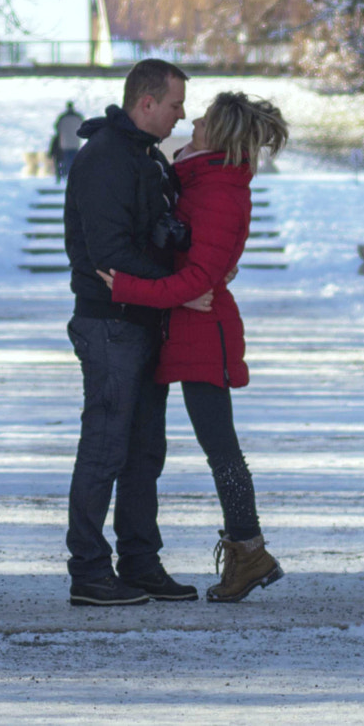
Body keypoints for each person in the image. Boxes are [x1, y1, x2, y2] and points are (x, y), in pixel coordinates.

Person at [101, 90, 289, 602]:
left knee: (221, 450)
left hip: (204, 335)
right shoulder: (203, 178)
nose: (192, 120)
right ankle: (247, 551)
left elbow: (198, 279)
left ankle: (248, 551)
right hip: (188, 331)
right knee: (217, 449)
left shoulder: (219, 190)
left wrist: (126, 286)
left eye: (203, 119)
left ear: (219, 135)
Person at [60, 58, 198, 606]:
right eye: (174, 105)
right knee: (105, 448)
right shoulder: (106, 160)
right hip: (109, 324)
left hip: (143, 319)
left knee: (144, 451)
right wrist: (181, 282)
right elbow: (108, 254)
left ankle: (139, 562)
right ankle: (89, 571)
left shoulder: (143, 157)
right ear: (146, 103)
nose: (181, 115)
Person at [49, 99, 83, 180]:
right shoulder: (78, 117)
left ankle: (67, 177)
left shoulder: (62, 118)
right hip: (75, 143)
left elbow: (57, 128)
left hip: (65, 143)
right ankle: (73, 177)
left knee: (66, 161)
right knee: (74, 161)